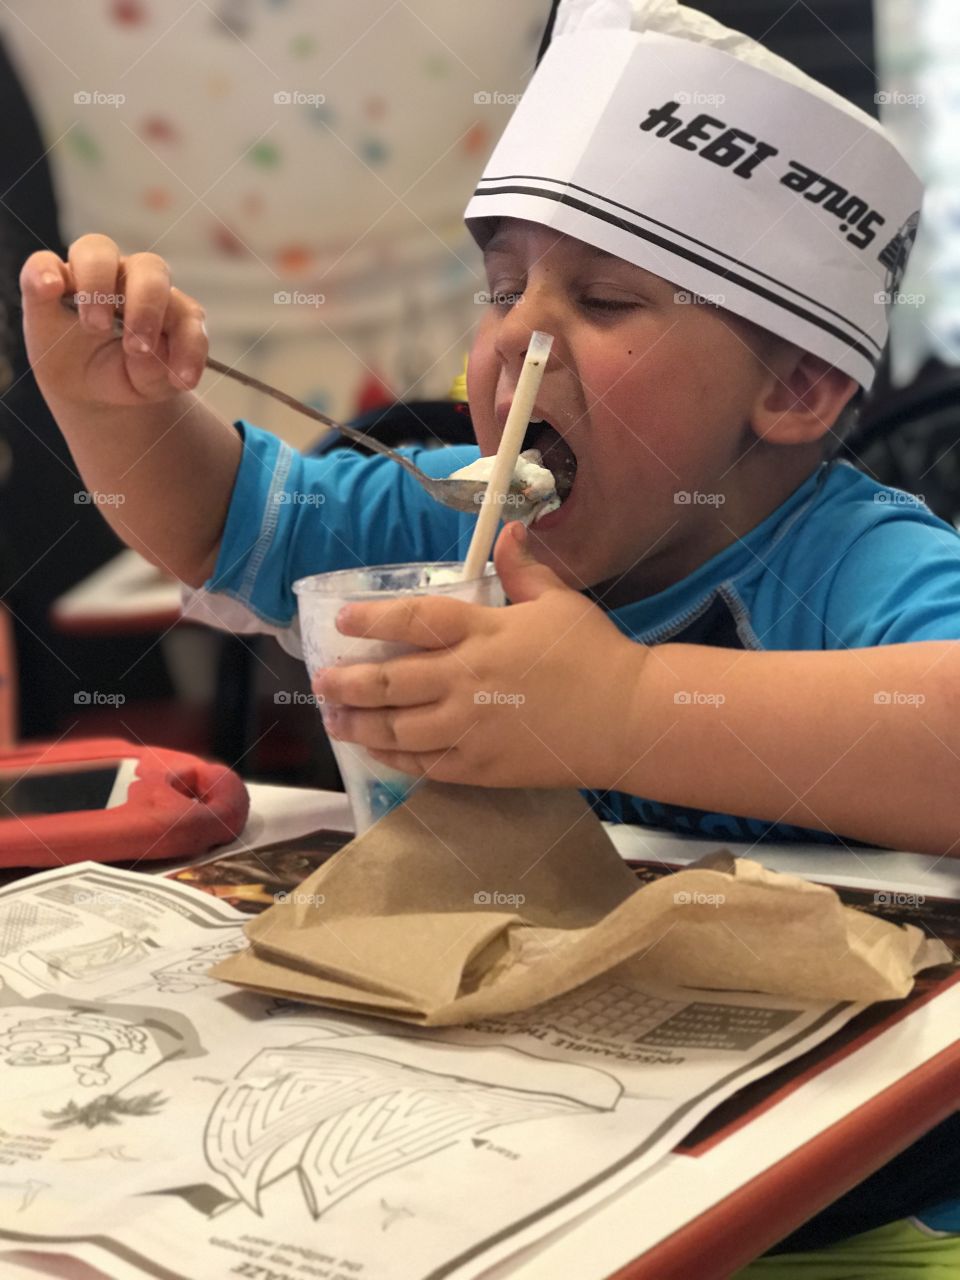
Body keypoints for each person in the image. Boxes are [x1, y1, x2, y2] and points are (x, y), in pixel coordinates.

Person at [17, 0, 960, 1270]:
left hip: (861, 1205)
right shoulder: (449, 513)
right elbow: (216, 518)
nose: (519, 333)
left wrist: (625, 709)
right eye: (504, 287)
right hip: (520, 1149)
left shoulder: (850, 564)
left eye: (605, 298)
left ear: (793, 387)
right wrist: (112, 405)